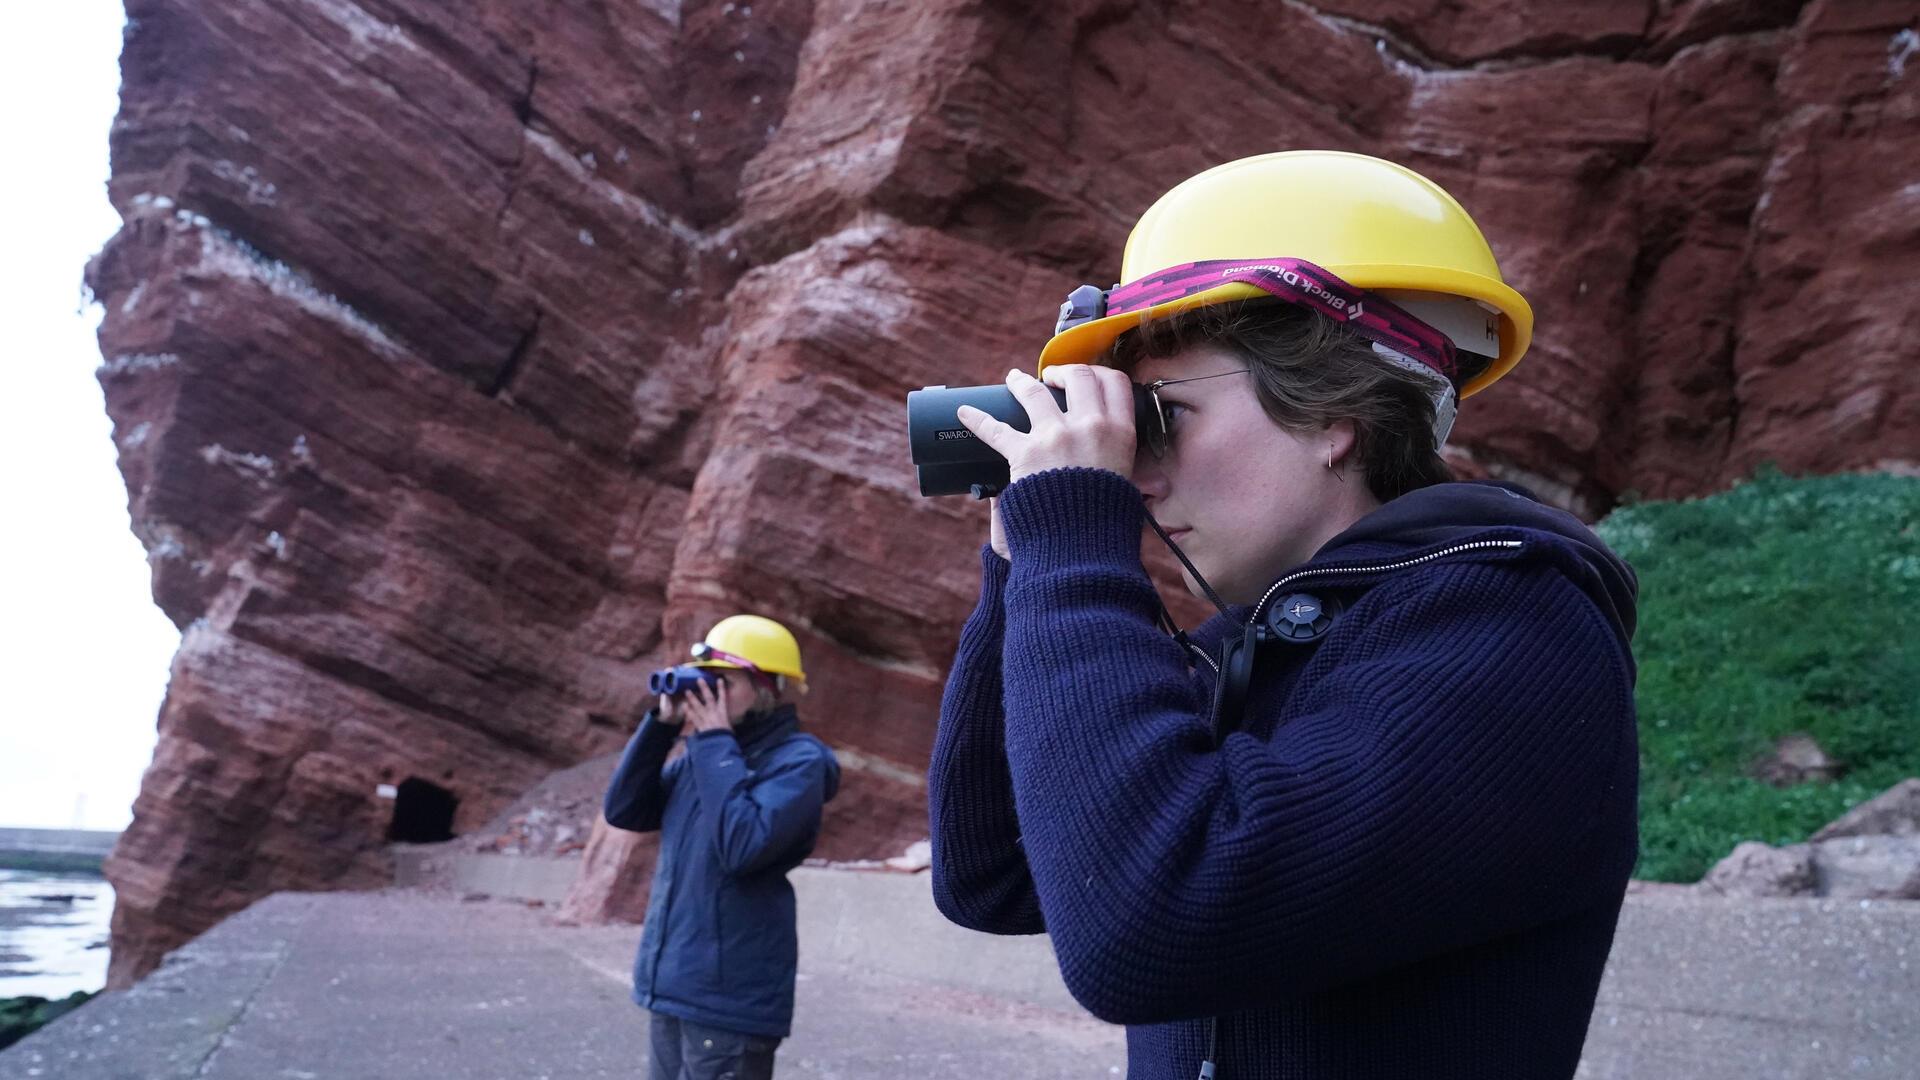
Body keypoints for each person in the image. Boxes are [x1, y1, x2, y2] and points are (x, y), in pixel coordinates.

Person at [927, 150, 1639, 1080]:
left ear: (1330, 411)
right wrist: (1025, 563)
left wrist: (1077, 544)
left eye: (1163, 417)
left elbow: (1148, 924)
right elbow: (994, 868)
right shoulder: (1263, 647)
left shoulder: (1513, 635)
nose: (1138, 474)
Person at [604, 614, 840, 1080]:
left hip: (729, 999)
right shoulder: (708, 759)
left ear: (769, 687)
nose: (709, 693)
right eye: (706, 680)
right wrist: (660, 727)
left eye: (723, 682)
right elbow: (625, 810)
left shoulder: (799, 763)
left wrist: (713, 741)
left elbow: (743, 846)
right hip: (673, 987)